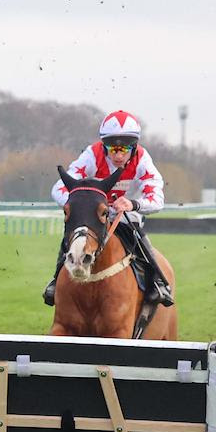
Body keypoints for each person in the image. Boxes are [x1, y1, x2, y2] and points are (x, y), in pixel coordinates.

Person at [42, 109, 173, 307]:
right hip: (94, 215)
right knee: (73, 234)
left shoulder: (143, 160)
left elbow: (157, 199)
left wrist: (132, 204)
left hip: (127, 216)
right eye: (113, 149)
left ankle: (158, 282)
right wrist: (81, 204)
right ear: (104, 147)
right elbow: (58, 188)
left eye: (125, 149)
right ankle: (56, 279)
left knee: (138, 236)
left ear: (134, 146)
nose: (119, 155)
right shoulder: (92, 154)